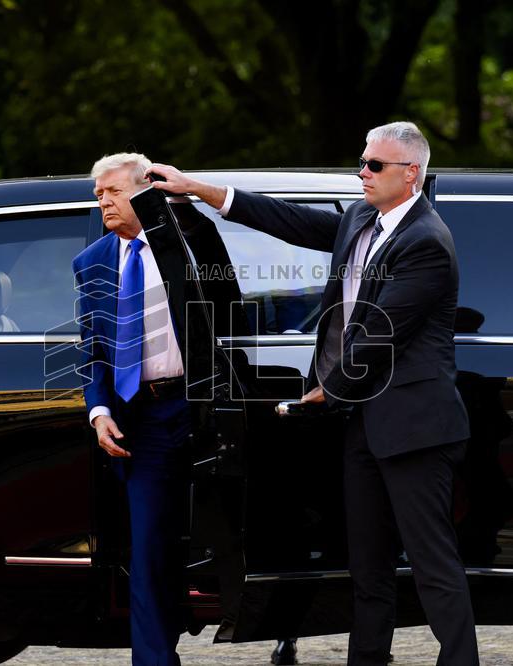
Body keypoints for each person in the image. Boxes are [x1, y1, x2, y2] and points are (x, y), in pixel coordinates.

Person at [148, 121, 479, 665]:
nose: (362, 172)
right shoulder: (360, 219)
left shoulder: (427, 242)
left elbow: (380, 333)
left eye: (375, 165)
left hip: (415, 428)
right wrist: (200, 189)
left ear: (411, 173)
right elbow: (288, 220)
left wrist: (325, 391)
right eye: (362, 161)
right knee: (366, 566)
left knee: (432, 564)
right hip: (362, 427)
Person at [72, 153, 193, 665]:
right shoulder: (92, 261)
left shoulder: (188, 246)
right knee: (148, 547)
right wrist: (99, 411)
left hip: (200, 406)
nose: (104, 201)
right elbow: (91, 348)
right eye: (99, 194)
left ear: (147, 192)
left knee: (218, 537)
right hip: (141, 419)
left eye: (114, 192)